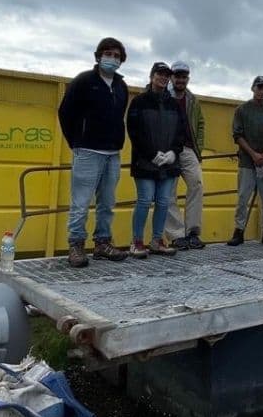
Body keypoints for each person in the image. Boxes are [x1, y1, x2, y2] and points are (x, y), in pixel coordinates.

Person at [56, 37, 131, 268]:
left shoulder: (121, 86)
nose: (113, 59)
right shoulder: (84, 81)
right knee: (81, 202)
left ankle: (102, 242)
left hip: (112, 152)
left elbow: (119, 115)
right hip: (87, 151)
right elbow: (65, 112)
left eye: (117, 56)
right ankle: (76, 245)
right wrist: (76, 142)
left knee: (107, 202)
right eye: (108, 54)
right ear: (99, 56)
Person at [125, 62, 183, 257]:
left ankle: (157, 240)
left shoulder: (174, 104)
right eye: (159, 74)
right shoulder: (139, 101)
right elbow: (134, 131)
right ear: (151, 76)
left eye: (166, 75)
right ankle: (137, 241)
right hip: (145, 161)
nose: (163, 78)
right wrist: (151, 154)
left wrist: (174, 152)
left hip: (169, 163)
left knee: (164, 201)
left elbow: (181, 133)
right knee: (144, 200)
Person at [228, 76, 263, 246]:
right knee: (243, 197)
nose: (262, 91)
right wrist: (253, 154)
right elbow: (237, 135)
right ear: (253, 88)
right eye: (259, 87)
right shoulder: (242, 110)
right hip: (247, 161)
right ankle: (238, 231)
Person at [163, 61, 207, 250]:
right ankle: (176, 235)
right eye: (177, 76)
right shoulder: (163, 97)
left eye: (184, 76)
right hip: (168, 149)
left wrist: (199, 149)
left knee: (196, 185)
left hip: (188, 149)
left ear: (187, 78)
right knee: (169, 192)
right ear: (172, 77)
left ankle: (192, 232)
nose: (180, 79)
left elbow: (201, 124)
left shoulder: (192, 100)